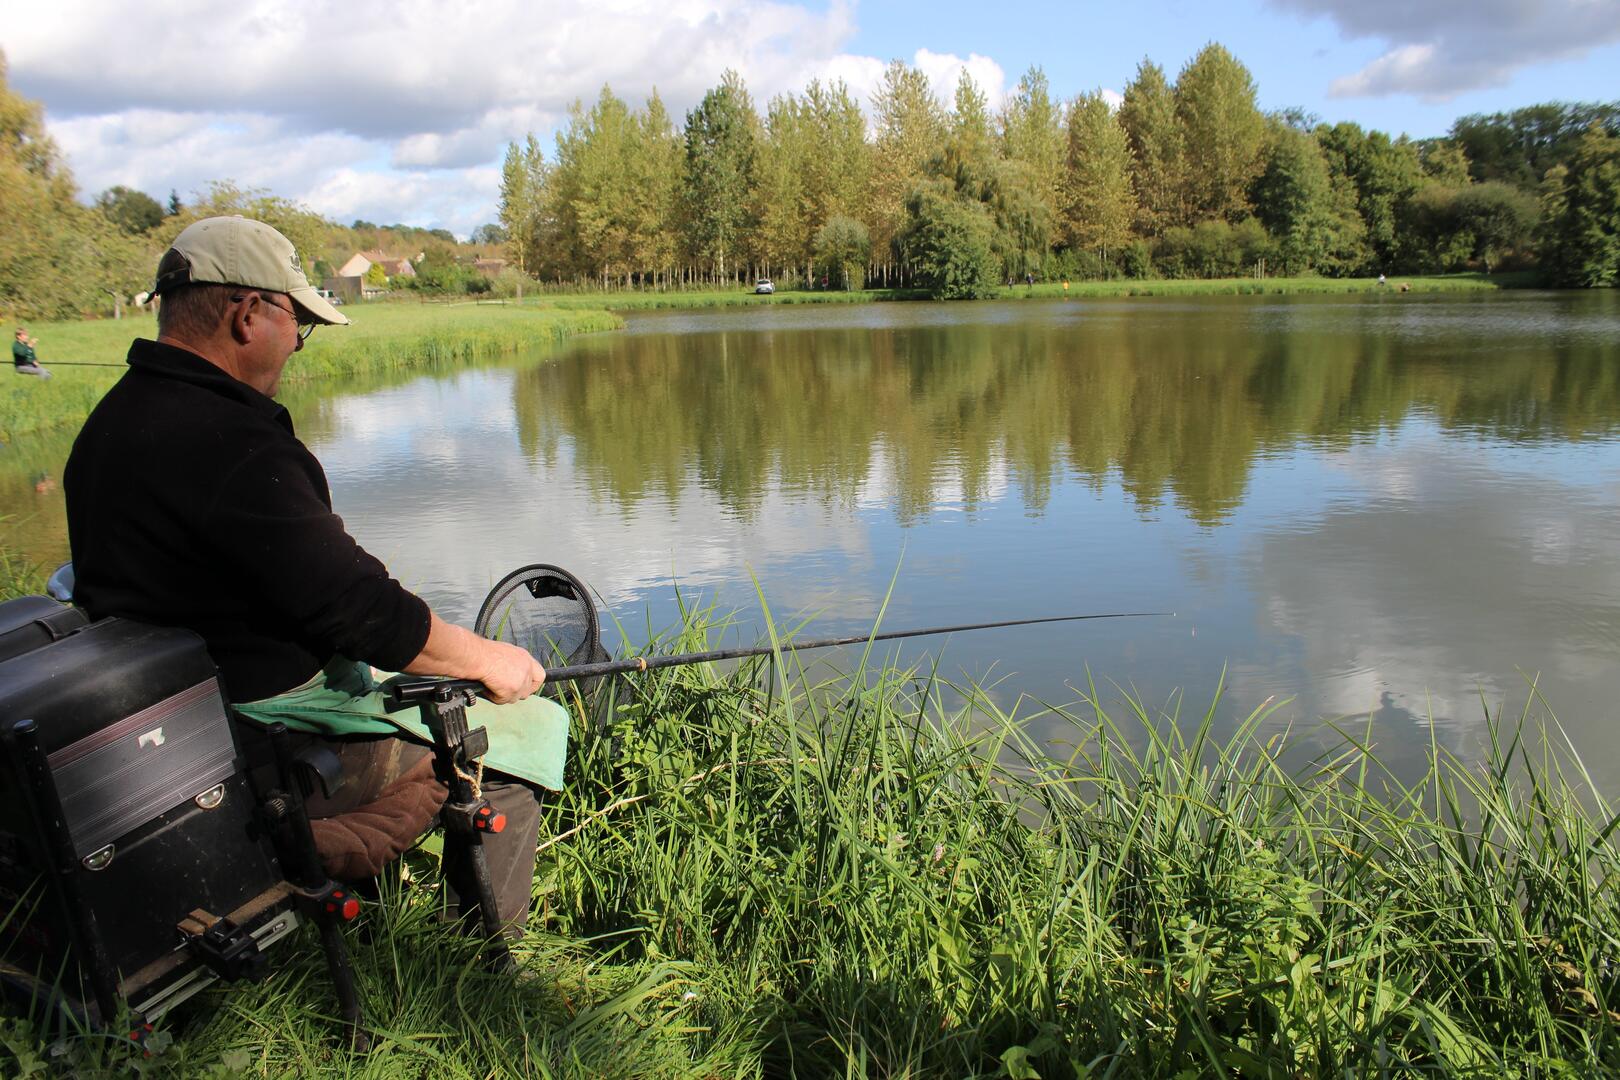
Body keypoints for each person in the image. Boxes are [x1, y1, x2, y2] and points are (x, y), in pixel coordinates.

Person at [63, 216, 562, 940]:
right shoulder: (230, 446)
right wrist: (494, 661)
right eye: (297, 325)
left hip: (168, 743)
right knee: (519, 727)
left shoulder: (107, 425)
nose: (296, 345)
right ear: (246, 316)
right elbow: (364, 614)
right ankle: (475, 967)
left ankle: (371, 918)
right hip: (270, 746)